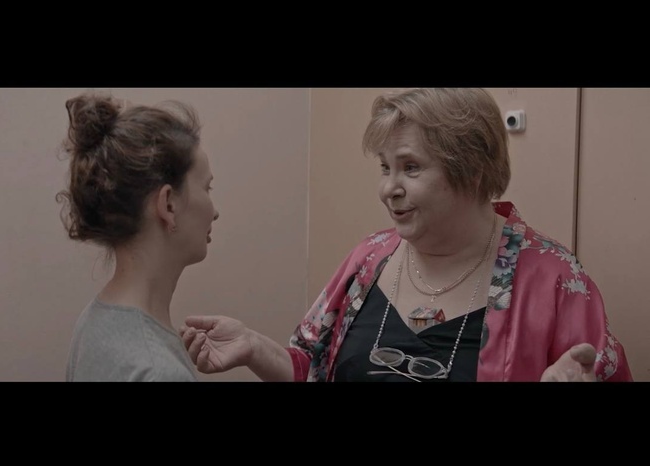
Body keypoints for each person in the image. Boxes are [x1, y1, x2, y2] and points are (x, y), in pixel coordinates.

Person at [180, 87, 633, 382]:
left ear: (472, 171)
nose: (388, 189)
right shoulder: (368, 259)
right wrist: (253, 347)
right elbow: (309, 367)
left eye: (411, 168)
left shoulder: (556, 280)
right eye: (385, 167)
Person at [58, 92, 219, 381]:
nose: (215, 212)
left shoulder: (95, 320)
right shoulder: (158, 371)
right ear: (168, 205)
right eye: (207, 188)